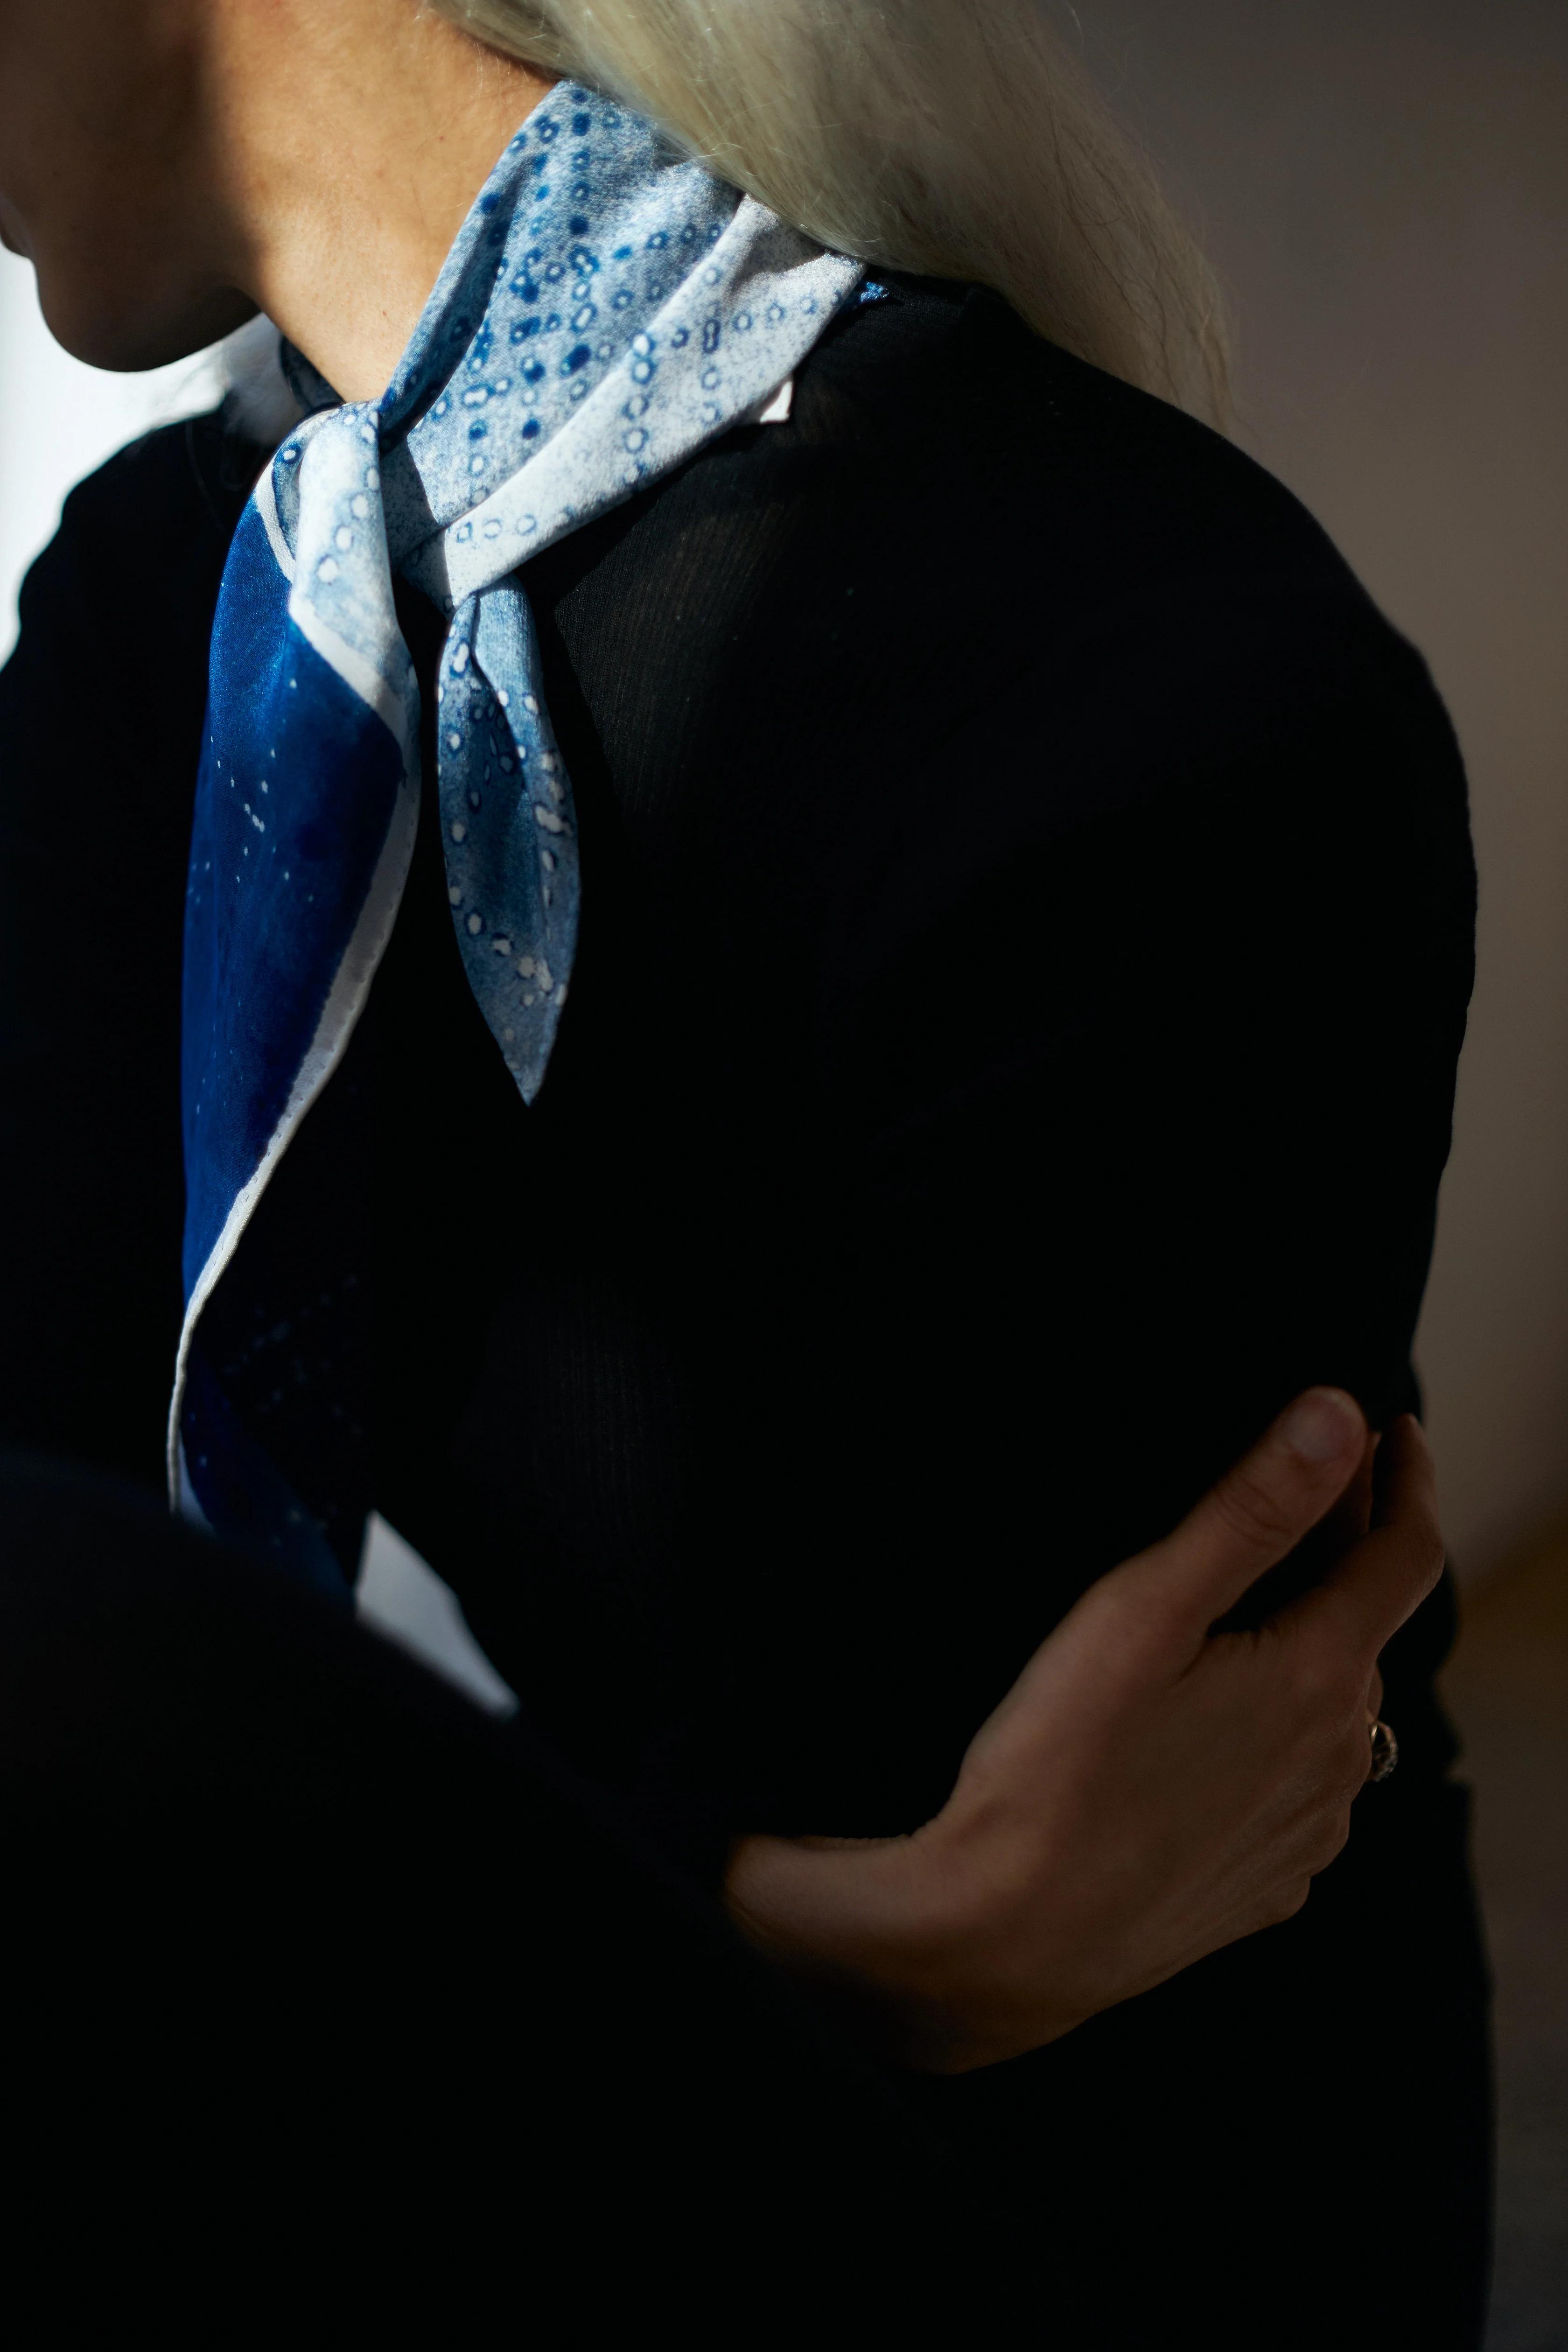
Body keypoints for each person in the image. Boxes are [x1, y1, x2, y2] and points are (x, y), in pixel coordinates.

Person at [0, 0, 1485, 2339]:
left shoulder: (1148, 692)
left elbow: (996, 1929)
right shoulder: (170, 613)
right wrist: (826, 1937)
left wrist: (765, 1925)